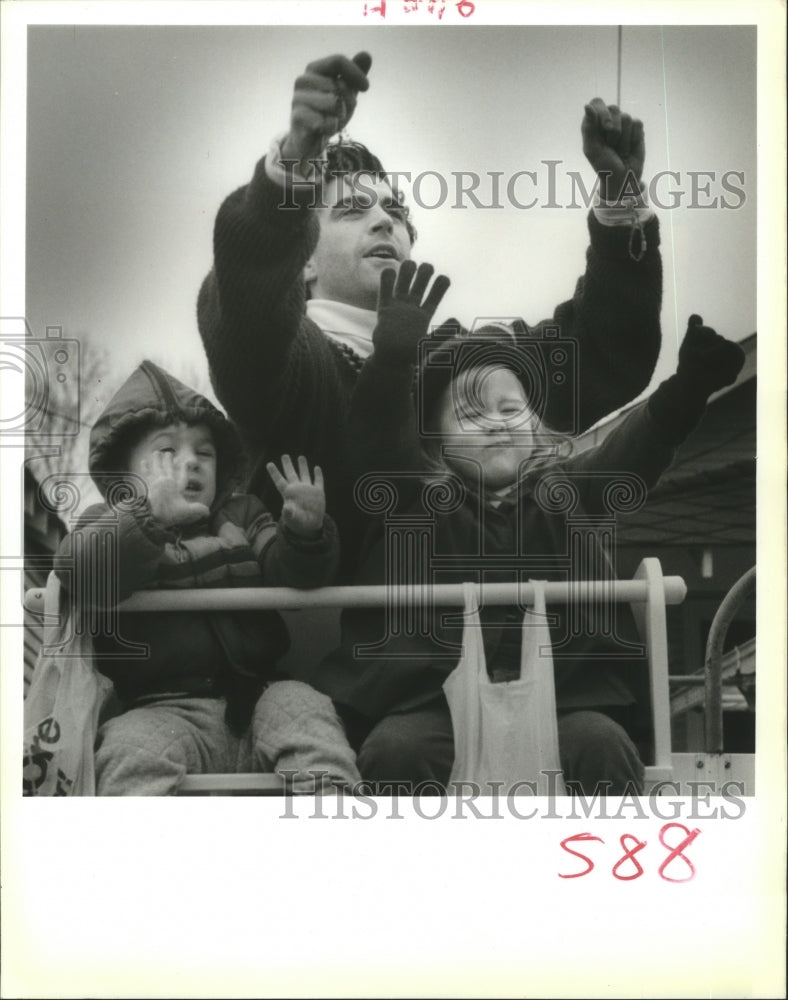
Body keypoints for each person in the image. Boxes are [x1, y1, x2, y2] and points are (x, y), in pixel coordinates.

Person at [197, 50, 663, 575]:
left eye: (395, 212)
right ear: (302, 257)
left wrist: (621, 202)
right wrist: (295, 166)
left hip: (509, 647)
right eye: (352, 210)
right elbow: (248, 314)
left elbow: (606, 353)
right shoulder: (297, 363)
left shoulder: (467, 361)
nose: (383, 221)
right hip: (335, 652)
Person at [293, 263, 745, 797]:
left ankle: (592, 869)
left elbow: (630, 455)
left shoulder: (566, 492)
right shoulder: (414, 494)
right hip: (428, 703)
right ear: (435, 440)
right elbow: (378, 441)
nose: (498, 421)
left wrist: (684, 393)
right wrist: (392, 359)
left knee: (602, 743)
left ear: (534, 424)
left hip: (564, 702)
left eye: (511, 408)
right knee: (397, 751)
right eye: (470, 414)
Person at [55, 359, 359, 795]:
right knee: (127, 749)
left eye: (204, 452)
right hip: (162, 707)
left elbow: (293, 577)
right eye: (167, 452)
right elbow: (83, 574)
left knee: (306, 708)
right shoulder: (106, 522)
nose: (191, 462)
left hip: (259, 693)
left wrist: (305, 532)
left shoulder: (243, 514)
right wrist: (147, 519)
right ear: (125, 476)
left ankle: (336, 823)